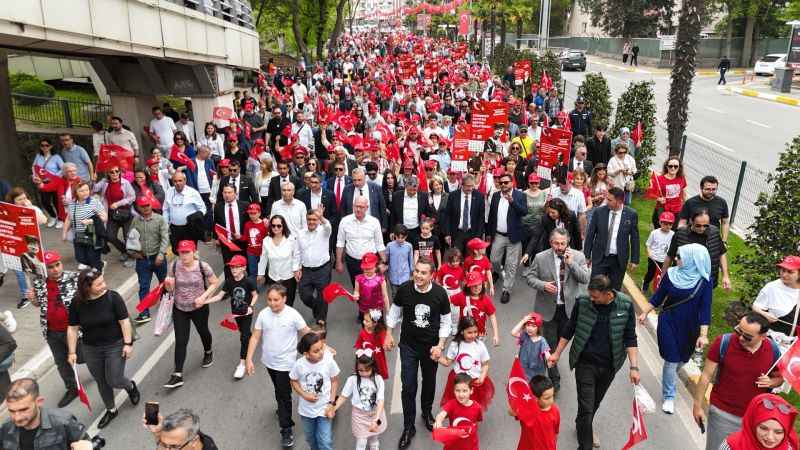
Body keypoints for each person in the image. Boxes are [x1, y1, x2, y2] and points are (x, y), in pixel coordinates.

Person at [547, 275, 639, 450]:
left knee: (593, 404)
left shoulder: (625, 305)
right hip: (585, 363)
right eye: (590, 295)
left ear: (608, 294)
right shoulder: (582, 302)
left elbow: (630, 337)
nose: (591, 299)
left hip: (609, 366)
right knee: (587, 407)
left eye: (595, 297)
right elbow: (570, 328)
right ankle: (585, 445)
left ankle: (582, 424)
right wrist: (557, 353)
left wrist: (634, 367)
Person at [638, 243, 713, 414]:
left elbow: (705, 308)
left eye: (680, 257)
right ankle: (669, 396)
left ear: (693, 260)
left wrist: (703, 334)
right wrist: (645, 313)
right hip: (669, 322)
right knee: (671, 359)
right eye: (677, 256)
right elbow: (658, 296)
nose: (676, 259)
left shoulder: (704, 281)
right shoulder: (671, 275)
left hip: (690, 328)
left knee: (682, 359)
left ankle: (668, 375)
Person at [692, 313, 784, 450]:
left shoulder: (773, 350)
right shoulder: (724, 343)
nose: (740, 338)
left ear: (763, 337)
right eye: (739, 331)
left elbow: (780, 379)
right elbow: (706, 375)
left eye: (747, 336)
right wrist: (697, 406)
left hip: (756, 419)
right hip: (722, 414)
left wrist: (771, 382)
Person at [386, 260, 452, 448]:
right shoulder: (405, 290)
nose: (419, 275)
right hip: (408, 346)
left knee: (429, 381)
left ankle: (426, 412)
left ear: (432, 275)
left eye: (424, 272)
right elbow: (394, 312)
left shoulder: (440, 293)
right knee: (408, 386)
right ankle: (408, 427)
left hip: (431, 348)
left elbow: (446, 322)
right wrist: (389, 334)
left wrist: (440, 345)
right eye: (416, 271)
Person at [67, 268, 140, 429]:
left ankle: (130, 386)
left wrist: (128, 344)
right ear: (87, 287)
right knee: (101, 380)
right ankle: (111, 409)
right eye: (99, 284)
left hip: (115, 344)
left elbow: (124, 322)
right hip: (91, 348)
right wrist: (72, 351)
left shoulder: (113, 298)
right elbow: (72, 328)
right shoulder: (77, 303)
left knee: (114, 379)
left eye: (103, 281)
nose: (104, 285)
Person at [245, 284, 311, 448]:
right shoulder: (263, 314)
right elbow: (255, 337)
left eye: (276, 300)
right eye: (269, 300)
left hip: (286, 364)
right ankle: (283, 409)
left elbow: (306, 332)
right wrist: (248, 359)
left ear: (284, 299)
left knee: (283, 396)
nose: (272, 303)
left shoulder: (293, 315)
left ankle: (286, 428)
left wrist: (323, 346)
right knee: (279, 389)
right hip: (269, 362)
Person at [524, 228, 591, 389]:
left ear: (567, 242)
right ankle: (554, 379)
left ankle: (553, 363)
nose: (560, 247)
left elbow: (585, 278)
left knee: (561, 344)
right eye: (556, 243)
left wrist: (571, 263)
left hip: (569, 310)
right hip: (547, 310)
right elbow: (529, 277)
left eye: (563, 243)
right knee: (550, 345)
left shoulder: (578, 256)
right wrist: (543, 285)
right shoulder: (541, 257)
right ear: (550, 242)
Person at [27, 251, 85, 408]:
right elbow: (39, 304)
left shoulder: (75, 278)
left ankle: (102, 370)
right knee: (62, 362)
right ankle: (72, 389)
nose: (55, 269)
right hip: (52, 331)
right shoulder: (39, 283)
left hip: (73, 330)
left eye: (57, 265)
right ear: (45, 269)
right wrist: (33, 299)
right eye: (50, 267)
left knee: (82, 357)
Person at [163, 240, 218, 389]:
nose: (184, 255)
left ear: (194, 252)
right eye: (182, 252)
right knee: (181, 340)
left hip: (199, 307)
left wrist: (203, 297)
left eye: (187, 252)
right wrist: (168, 286)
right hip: (180, 308)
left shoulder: (202, 266)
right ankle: (177, 374)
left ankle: (208, 351)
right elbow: (170, 288)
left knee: (203, 331)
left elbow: (215, 283)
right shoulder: (173, 266)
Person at [197, 255, 256, 381]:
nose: (233, 269)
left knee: (244, 336)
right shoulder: (229, 281)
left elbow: (255, 295)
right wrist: (204, 301)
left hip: (246, 313)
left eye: (236, 267)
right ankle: (251, 340)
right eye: (232, 267)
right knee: (245, 334)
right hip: (235, 313)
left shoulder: (248, 281)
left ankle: (242, 364)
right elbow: (219, 296)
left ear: (243, 268)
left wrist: (251, 306)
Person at [0, 378, 94, 449]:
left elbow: (87, 444)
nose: (17, 418)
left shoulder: (63, 422)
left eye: (23, 410)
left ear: (39, 401)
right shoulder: (6, 428)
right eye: (12, 411)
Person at [327, 352, 388, 450]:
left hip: (376, 414)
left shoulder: (378, 379)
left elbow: (381, 400)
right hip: (359, 416)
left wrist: (376, 419)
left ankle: (374, 446)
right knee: (361, 442)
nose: (363, 373)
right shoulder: (352, 379)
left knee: (374, 439)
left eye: (367, 370)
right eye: (360, 370)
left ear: (373, 366)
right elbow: (343, 396)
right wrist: (333, 408)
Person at [290, 332, 340, 450]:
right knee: (311, 438)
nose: (321, 352)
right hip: (306, 411)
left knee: (325, 441)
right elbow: (293, 380)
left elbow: (334, 381)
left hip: (324, 409)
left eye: (321, 348)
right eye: (316, 351)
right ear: (306, 354)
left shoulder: (328, 362)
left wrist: (331, 403)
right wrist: (304, 395)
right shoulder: (299, 365)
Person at [583, 187, 640, 291]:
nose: (606, 201)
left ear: (619, 201)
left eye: (609, 200)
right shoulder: (599, 212)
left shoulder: (631, 214)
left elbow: (635, 238)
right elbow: (590, 234)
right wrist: (587, 255)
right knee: (595, 287)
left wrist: (635, 259)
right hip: (600, 257)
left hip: (618, 260)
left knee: (614, 290)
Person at [663, 209, 730, 290]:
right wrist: (663, 276)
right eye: (698, 225)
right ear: (691, 221)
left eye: (706, 225)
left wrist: (725, 276)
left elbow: (721, 253)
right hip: (684, 281)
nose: (702, 228)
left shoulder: (715, 232)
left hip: (706, 282)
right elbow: (670, 256)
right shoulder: (680, 234)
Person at [487, 172, 527, 305]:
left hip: (513, 238)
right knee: (494, 260)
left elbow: (524, 212)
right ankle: (499, 272)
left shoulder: (520, 195)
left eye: (506, 182)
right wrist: (489, 234)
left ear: (512, 183)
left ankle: (506, 289)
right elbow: (492, 216)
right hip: (498, 235)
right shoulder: (495, 196)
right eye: (501, 182)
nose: (503, 184)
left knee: (511, 265)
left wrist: (512, 202)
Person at [130, 196, 169, 324]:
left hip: (158, 258)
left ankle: (168, 306)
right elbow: (131, 237)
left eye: (147, 205)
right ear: (138, 207)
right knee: (144, 286)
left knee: (164, 283)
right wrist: (132, 253)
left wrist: (161, 254)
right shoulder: (135, 220)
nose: (145, 208)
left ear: (151, 205)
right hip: (142, 260)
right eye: (143, 206)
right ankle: (144, 313)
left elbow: (165, 238)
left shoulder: (160, 219)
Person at [336, 197, 387, 287]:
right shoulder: (345, 221)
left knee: (372, 288)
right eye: (356, 206)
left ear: (367, 208)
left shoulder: (374, 222)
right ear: (353, 206)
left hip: (371, 262)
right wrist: (339, 262)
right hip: (352, 262)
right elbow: (340, 243)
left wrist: (384, 262)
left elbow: (380, 244)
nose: (358, 209)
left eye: (361, 207)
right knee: (357, 288)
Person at [719, 393, 798, 450]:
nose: (770, 437)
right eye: (764, 428)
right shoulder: (731, 446)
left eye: (778, 432)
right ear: (752, 424)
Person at [92, 165, 136, 267]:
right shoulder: (104, 182)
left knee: (128, 236)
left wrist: (118, 203)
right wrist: (93, 180)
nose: (115, 174)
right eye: (112, 172)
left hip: (125, 214)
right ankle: (124, 251)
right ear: (108, 173)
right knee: (110, 236)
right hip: (112, 215)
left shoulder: (125, 183)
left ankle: (133, 257)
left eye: (117, 171)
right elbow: (94, 189)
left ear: (120, 172)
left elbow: (132, 196)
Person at [297, 208, 333, 327]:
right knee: (304, 296)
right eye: (309, 219)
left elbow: (328, 225)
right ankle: (318, 308)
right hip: (306, 270)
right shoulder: (301, 233)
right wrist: (297, 268)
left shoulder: (324, 231)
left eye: (314, 219)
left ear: (318, 221)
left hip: (322, 269)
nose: (311, 222)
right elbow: (297, 252)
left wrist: (322, 217)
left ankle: (321, 320)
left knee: (323, 296)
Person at [257, 214, 301, 305]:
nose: (275, 228)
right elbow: (263, 258)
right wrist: (260, 274)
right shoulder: (266, 241)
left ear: (283, 226)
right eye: (273, 225)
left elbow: (296, 255)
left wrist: (296, 269)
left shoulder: (291, 239)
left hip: (288, 278)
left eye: (279, 226)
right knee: (275, 304)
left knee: (288, 304)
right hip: (273, 278)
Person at [62, 181, 106, 271]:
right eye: (81, 191)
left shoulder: (94, 202)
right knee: (80, 258)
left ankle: (97, 271)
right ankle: (99, 264)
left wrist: (90, 220)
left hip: (93, 234)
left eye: (86, 190)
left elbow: (104, 217)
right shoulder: (72, 204)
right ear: (76, 192)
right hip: (79, 235)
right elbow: (68, 219)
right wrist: (64, 233)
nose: (85, 192)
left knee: (92, 257)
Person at [752, 255, 800, 336]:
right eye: (783, 270)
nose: (784, 275)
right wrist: (765, 314)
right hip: (775, 338)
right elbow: (755, 307)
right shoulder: (772, 287)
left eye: (790, 272)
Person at [433, 373, 483, 450]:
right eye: (458, 390)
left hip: (470, 445)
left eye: (464, 391)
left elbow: (476, 423)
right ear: (454, 390)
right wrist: (438, 421)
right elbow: (442, 414)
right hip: (453, 443)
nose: (461, 394)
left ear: (471, 391)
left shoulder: (477, 407)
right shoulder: (452, 404)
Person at [678, 175, 731, 243]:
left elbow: (725, 222)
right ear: (701, 188)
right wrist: (680, 237)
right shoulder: (690, 203)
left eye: (714, 189)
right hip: (693, 239)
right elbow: (683, 222)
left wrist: (724, 241)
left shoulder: (722, 202)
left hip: (713, 239)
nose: (711, 192)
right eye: (708, 189)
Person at [163, 172, 206, 252]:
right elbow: (166, 210)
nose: (177, 183)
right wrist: (165, 224)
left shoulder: (193, 192)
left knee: (190, 252)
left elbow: (203, 208)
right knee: (177, 251)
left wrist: (195, 217)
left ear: (185, 180)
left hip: (189, 229)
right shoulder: (169, 192)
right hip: (174, 229)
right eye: (175, 181)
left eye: (180, 181)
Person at [443, 174, 485, 255]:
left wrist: (478, 236)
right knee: (456, 258)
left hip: (472, 233)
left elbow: (481, 218)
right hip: (457, 233)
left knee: (470, 258)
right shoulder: (453, 195)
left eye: (472, 186)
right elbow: (447, 215)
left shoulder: (479, 196)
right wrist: (447, 234)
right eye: (468, 186)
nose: (470, 188)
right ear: (462, 184)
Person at [213, 184, 247, 276]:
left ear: (235, 193)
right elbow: (216, 223)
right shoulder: (218, 207)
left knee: (243, 264)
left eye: (229, 192)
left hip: (242, 241)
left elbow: (248, 223)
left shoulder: (244, 205)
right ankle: (229, 286)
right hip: (226, 242)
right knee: (228, 265)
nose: (227, 195)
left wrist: (244, 236)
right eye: (225, 192)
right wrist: (217, 238)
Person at [144, 408, 219, 450]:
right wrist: (157, 432)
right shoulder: (188, 436)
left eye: (174, 447)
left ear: (194, 442)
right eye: (163, 444)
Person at [32, 137, 64, 228]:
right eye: (42, 145)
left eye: (47, 145)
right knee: (45, 201)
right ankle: (53, 216)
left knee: (56, 201)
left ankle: (61, 219)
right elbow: (34, 167)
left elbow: (62, 169)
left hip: (54, 182)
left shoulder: (56, 157)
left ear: (51, 146)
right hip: (42, 182)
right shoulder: (38, 156)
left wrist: (54, 178)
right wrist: (35, 177)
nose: (44, 147)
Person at [389, 176, 431, 246]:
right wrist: (392, 231)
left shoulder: (423, 196)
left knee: (416, 252)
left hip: (417, 230)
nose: (412, 192)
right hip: (401, 231)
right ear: (405, 186)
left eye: (414, 190)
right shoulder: (397, 195)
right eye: (409, 190)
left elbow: (427, 213)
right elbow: (392, 215)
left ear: (417, 187)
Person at [642, 212, 676, 295]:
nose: (668, 226)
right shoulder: (654, 233)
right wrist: (649, 252)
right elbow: (648, 244)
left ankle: (658, 290)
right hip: (653, 258)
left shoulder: (673, 234)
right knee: (651, 273)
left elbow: (674, 247)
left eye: (670, 224)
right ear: (660, 222)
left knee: (662, 276)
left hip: (665, 260)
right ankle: (645, 283)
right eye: (665, 223)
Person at [511, 312, 550, 382]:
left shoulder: (542, 341)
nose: (530, 328)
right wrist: (523, 321)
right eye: (528, 325)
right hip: (523, 367)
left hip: (536, 370)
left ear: (538, 328)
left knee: (534, 387)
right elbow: (513, 332)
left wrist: (549, 359)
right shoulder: (524, 336)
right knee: (524, 384)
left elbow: (547, 352)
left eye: (533, 326)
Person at [651, 157, 687, 229]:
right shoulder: (659, 179)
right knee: (661, 231)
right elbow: (652, 193)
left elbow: (683, 192)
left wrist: (685, 205)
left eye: (676, 166)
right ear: (666, 166)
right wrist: (659, 199)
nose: (673, 168)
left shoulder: (681, 178)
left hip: (677, 210)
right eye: (670, 166)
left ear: (679, 167)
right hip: (663, 209)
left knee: (673, 232)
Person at [355, 309, 390, 380]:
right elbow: (359, 345)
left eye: (367, 321)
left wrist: (388, 345)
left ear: (375, 323)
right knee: (366, 377)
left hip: (378, 360)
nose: (364, 322)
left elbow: (386, 343)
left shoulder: (381, 332)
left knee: (378, 378)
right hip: (367, 361)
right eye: (364, 320)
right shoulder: (362, 332)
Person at [386, 225, 414, 295]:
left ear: (406, 236)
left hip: (405, 275)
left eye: (403, 238)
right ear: (395, 235)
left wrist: (412, 272)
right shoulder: (389, 245)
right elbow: (387, 259)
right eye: (398, 237)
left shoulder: (409, 246)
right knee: (394, 293)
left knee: (405, 293)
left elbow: (410, 259)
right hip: (393, 274)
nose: (400, 239)